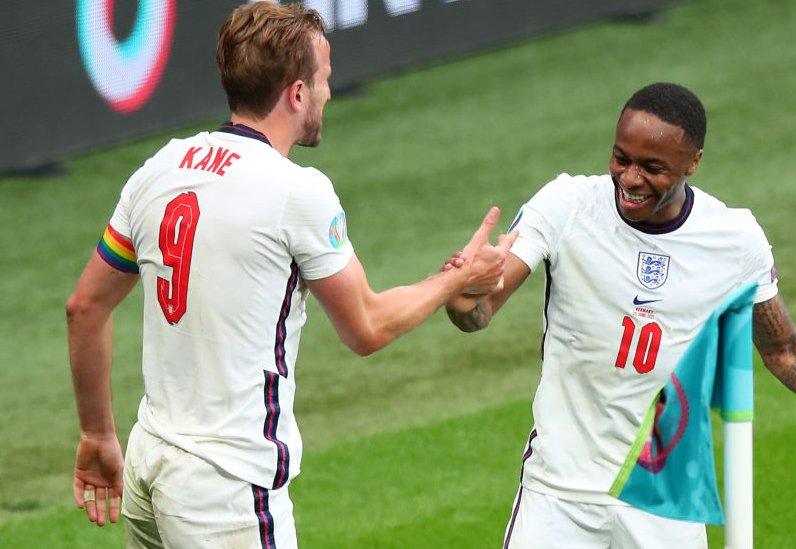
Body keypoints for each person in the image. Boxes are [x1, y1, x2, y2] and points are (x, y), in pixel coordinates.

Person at [66, 3, 513, 547]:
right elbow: (367, 328)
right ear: (296, 93)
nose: (327, 91)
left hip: (147, 464)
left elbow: (85, 307)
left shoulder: (160, 168)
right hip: (226, 487)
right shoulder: (296, 191)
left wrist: (95, 433)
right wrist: (455, 279)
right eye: (323, 79)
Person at [444, 82, 796, 548]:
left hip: (664, 499)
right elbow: (480, 312)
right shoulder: (566, 205)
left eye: (653, 167)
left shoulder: (734, 239)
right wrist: (460, 295)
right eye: (620, 158)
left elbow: (785, 351)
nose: (630, 178)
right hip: (559, 494)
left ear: (693, 163)